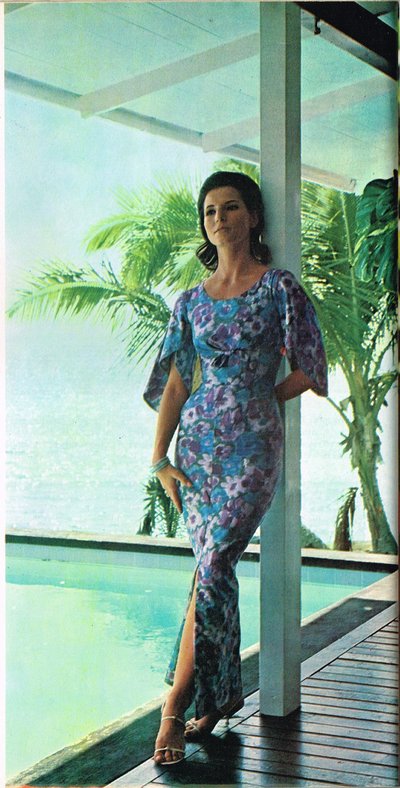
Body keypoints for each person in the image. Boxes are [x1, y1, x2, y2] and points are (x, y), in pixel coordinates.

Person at [143, 171, 328, 765]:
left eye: (230, 207)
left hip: (252, 449)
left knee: (215, 561)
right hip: (197, 448)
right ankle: (220, 699)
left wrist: (263, 397)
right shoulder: (190, 302)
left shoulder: (277, 287)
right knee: (210, 569)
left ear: (252, 216)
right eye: (210, 211)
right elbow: (175, 384)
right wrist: (160, 459)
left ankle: (175, 705)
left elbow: (311, 366)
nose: (219, 219)